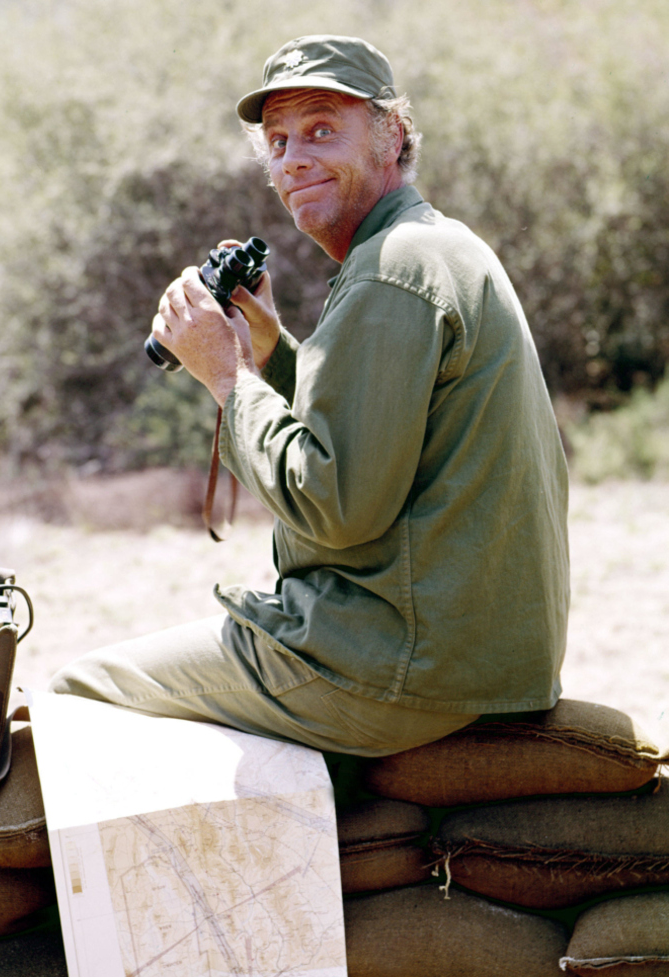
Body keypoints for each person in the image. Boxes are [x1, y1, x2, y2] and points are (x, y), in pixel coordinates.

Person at [49, 35, 570, 757]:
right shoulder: (432, 247)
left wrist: (228, 378)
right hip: (469, 655)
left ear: (392, 134)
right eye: (277, 140)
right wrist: (270, 347)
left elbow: (334, 503)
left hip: (391, 662)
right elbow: (375, 437)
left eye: (323, 129)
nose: (292, 157)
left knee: (78, 692)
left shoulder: (391, 271)